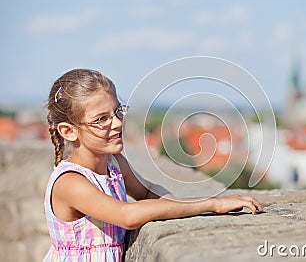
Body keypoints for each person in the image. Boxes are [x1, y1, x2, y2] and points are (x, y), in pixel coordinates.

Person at [43, 69, 263, 261]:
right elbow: (127, 216)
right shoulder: (70, 182)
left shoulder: (114, 164)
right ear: (69, 131)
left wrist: (180, 208)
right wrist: (210, 204)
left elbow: (147, 193)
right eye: (101, 119)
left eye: (118, 111)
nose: (118, 122)